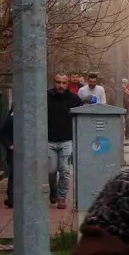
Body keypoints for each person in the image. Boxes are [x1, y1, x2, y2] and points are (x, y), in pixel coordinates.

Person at [48, 73, 82, 209]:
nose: (61, 86)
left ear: (67, 84)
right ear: (54, 82)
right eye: (58, 82)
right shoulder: (47, 97)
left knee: (64, 170)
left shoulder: (74, 99)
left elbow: (81, 116)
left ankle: (62, 198)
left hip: (67, 140)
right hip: (49, 140)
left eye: (63, 83)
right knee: (51, 170)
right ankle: (53, 189)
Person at [0, 106, 14, 208]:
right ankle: (12, 198)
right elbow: (2, 134)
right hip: (14, 151)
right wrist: (9, 145)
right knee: (14, 173)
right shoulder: (11, 118)